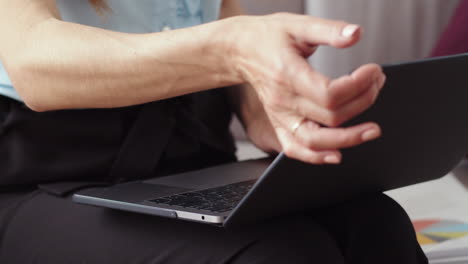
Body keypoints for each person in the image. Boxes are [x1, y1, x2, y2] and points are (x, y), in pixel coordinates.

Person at [0, 0, 427, 263]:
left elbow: (218, 12)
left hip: (187, 154)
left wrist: (269, 115)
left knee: (376, 224)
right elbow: (33, 61)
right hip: (44, 172)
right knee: (281, 256)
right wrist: (230, 49)